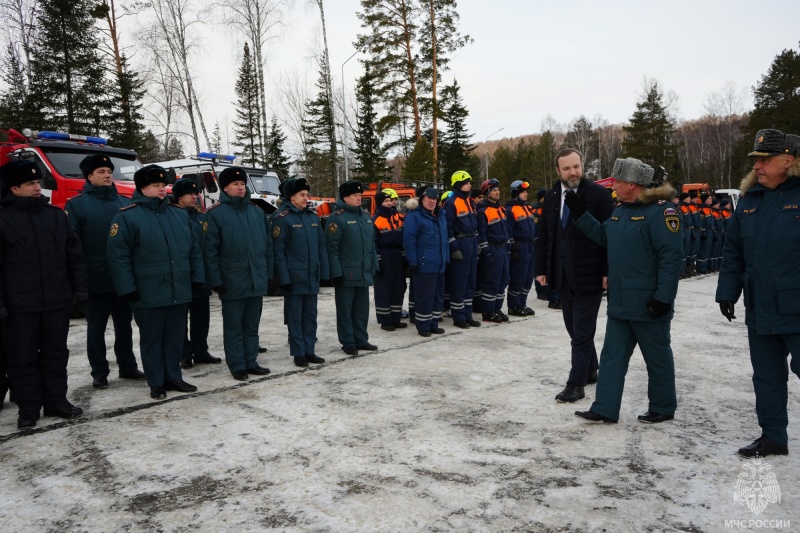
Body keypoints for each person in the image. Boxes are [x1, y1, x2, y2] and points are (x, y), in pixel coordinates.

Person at [569, 158, 683, 424]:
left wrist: (664, 298)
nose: (614, 186)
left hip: (649, 304)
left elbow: (671, 259)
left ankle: (663, 406)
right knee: (611, 358)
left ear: (632, 184)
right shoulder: (620, 212)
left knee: (657, 359)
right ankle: (605, 408)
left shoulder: (662, 213)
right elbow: (602, 237)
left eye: (618, 182)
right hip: (620, 303)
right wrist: (580, 215)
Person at [716, 129, 800, 457]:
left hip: (796, 306)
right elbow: (733, 251)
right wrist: (727, 291)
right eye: (756, 160)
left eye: (766, 159)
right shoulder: (749, 201)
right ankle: (773, 436)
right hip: (760, 306)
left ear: (789, 161)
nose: (758, 166)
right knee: (766, 376)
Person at [0, 160, 88, 428]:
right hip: (19, 306)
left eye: (38, 182)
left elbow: (74, 255)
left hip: (56, 301)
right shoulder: (3, 219)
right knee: (22, 358)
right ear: (14, 188)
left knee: (56, 354)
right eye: (30, 184)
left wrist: (80, 289)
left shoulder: (54, 216)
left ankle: (56, 401)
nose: (38, 187)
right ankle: (28, 408)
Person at [108, 165, 204, 400]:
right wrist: (128, 288)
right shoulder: (127, 216)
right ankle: (156, 381)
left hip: (178, 287)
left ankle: (174, 376)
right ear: (142, 188)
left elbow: (194, 251)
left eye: (163, 185)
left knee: (174, 336)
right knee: (152, 339)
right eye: (156, 186)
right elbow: (118, 256)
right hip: (148, 291)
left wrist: (197, 279)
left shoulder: (179, 215)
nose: (162, 189)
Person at [535, 149, 615, 403]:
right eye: (567, 168)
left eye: (577, 166)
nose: (573, 172)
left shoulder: (599, 195)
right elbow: (545, 236)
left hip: (590, 274)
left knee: (581, 331)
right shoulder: (550, 198)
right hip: (562, 275)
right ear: (558, 171)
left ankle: (575, 383)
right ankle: (590, 369)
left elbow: (609, 238)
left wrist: (607, 271)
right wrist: (541, 269)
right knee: (574, 329)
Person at [64, 154, 144, 389]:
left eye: (109, 171)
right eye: (101, 171)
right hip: (94, 277)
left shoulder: (124, 202)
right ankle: (99, 371)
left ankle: (128, 366)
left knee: (124, 325)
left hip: (123, 277)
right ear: (89, 177)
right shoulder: (76, 205)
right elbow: (72, 245)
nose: (107, 174)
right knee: (96, 328)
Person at [204, 167, 273, 381]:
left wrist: (268, 274)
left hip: (256, 278)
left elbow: (267, 247)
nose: (240, 187)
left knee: (251, 324)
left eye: (242, 184)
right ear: (225, 188)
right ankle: (237, 364)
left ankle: (251, 360)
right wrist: (216, 279)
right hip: (232, 280)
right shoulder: (215, 214)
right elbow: (209, 251)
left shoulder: (257, 212)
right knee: (234, 325)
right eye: (235, 184)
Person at [272, 177, 329, 368]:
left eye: (307, 194)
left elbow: (321, 247)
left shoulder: (313, 218)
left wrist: (324, 272)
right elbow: (278, 252)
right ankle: (299, 353)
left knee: (310, 316)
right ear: (292, 197)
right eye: (302, 195)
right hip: (294, 277)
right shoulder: (282, 219)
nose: (306, 198)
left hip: (311, 276)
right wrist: (283, 278)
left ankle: (310, 350)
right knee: (296, 317)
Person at [171, 178, 222, 369]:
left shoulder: (202, 217)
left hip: (202, 276)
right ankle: (184, 353)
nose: (195, 197)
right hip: (182, 276)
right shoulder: (173, 216)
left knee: (201, 317)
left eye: (196, 193)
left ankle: (201, 351)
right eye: (189, 194)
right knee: (180, 319)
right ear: (178, 197)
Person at [326, 180, 379, 356]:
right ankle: (348, 341)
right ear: (345, 197)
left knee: (361, 309)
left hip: (363, 272)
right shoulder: (337, 218)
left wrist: (374, 266)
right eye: (355, 196)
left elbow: (371, 245)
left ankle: (361, 339)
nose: (359, 198)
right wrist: (336, 272)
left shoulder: (365, 217)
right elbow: (331, 249)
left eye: (360, 195)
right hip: (346, 273)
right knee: (345, 310)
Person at [403, 188, 449, 337]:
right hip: (424, 264)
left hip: (440, 263)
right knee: (425, 297)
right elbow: (409, 241)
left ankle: (433, 324)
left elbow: (445, 241)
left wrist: (446, 258)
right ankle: (423, 326)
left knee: (438, 296)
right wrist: (413, 262)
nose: (432, 201)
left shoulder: (441, 215)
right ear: (421, 199)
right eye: (429, 198)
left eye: (435, 199)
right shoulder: (414, 216)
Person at [443, 171, 482, 329]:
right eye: (466, 182)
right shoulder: (451, 202)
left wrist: (477, 242)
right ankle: (458, 317)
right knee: (460, 281)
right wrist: (454, 247)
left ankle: (467, 314)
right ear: (459, 184)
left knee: (471, 281)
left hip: (471, 241)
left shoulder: (469, 201)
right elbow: (448, 227)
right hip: (461, 242)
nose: (470, 185)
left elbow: (475, 223)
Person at [372, 189, 407, 331]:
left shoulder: (397, 217)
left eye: (389, 201)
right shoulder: (375, 220)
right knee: (384, 289)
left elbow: (403, 238)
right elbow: (373, 243)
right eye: (386, 201)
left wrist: (405, 258)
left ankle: (396, 317)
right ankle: (385, 320)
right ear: (380, 203)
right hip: (384, 255)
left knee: (398, 288)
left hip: (397, 255)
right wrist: (378, 260)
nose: (389, 203)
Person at [476, 179, 511, 322]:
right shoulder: (482, 211)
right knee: (492, 281)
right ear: (487, 193)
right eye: (494, 190)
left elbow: (506, 231)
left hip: (503, 249)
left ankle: (497, 308)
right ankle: (488, 312)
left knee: (503, 281)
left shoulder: (501, 209)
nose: (497, 192)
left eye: (498, 190)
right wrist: (487, 252)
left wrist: (508, 249)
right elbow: (481, 234)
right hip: (492, 249)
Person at [505, 180, 536, 316]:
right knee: (518, 277)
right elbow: (508, 231)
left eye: (526, 191)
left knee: (528, 277)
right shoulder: (510, 209)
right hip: (520, 246)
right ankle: (513, 306)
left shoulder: (527, 208)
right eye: (523, 192)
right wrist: (513, 248)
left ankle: (522, 303)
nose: (526, 194)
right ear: (516, 194)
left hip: (530, 245)